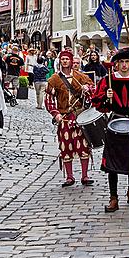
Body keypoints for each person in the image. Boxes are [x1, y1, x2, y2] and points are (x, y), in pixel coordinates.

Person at [92, 47, 129, 212]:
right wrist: (106, 97)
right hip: (115, 121)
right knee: (113, 163)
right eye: (121, 62)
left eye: (127, 61)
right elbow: (98, 104)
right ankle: (113, 198)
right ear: (116, 64)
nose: (124, 65)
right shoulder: (108, 80)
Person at [45, 50, 95, 187]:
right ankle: (69, 177)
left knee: (84, 146)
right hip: (65, 117)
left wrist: (87, 89)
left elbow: (93, 92)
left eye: (67, 59)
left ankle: (85, 176)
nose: (65, 61)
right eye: (63, 59)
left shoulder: (81, 77)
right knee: (66, 147)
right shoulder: (55, 79)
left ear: (72, 61)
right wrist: (56, 114)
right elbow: (48, 98)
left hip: (79, 116)